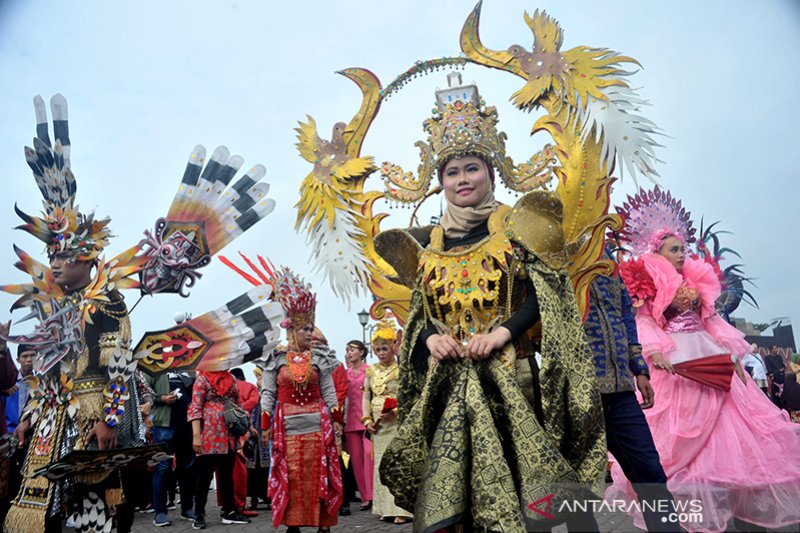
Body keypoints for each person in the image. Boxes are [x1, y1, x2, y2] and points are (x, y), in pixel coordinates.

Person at [374, 79, 605, 532]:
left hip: (513, 382)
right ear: (439, 181)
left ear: (491, 173)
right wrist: (430, 338)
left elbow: (548, 297)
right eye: (452, 172)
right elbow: (421, 311)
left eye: (471, 168)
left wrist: (504, 331)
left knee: (527, 503)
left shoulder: (520, 229)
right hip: (450, 388)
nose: (462, 180)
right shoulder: (426, 244)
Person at [609, 186, 800, 532]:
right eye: (674, 249)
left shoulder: (696, 280)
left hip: (707, 354)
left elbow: (712, 322)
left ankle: (734, 500)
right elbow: (646, 321)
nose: (682, 254)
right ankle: (691, 506)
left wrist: (733, 361)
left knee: (734, 429)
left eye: (683, 248)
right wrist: (653, 352)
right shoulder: (649, 283)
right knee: (682, 435)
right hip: (674, 360)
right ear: (658, 252)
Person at [248, 264, 343, 533]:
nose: (311, 334)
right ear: (292, 331)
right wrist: (265, 426)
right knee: (292, 476)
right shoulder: (275, 359)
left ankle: (322, 523)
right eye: (306, 330)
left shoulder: (320, 357)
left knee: (317, 472)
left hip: (317, 424)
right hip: (286, 426)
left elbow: (328, 391)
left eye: (311, 329)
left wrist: (337, 421)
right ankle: (294, 523)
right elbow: (268, 393)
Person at [584, 272, 678, 532]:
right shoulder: (550, 252)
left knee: (650, 475)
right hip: (577, 394)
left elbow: (626, 316)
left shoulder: (607, 261)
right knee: (578, 491)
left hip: (622, 393)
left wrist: (640, 369)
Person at [187, 369, 251, 529]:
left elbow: (237, 404)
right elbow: (195, 407)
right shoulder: (202, 379)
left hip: (229, 431)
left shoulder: (230, 378)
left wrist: (246, 425)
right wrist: (196, 435)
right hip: (209, 432)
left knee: (226, 474)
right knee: (204, 475)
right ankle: (199, 513)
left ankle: (229, 511)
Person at [361, 321, 411, 525]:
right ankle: (384, 508)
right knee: (380, 464)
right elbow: (366, 397)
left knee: (397, 463)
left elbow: (408, 395)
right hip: (378, 426)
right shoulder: (371, 371)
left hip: (396, 422)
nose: (381, 353)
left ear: (393, 347)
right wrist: (367, 420)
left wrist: (396, 412)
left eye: (385, 348)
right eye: (378, 349)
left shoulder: (401, 369)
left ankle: (402, 509)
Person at [343, 340, 372, 512]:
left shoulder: (369, 371)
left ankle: (373, 494)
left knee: (369, 455)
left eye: (352, 349)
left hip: (367, 420)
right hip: (351, 421)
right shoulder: (345, 374)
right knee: (356, 461)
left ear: (361, 352)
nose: (349, 353)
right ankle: (365, 497)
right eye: (347, 349)